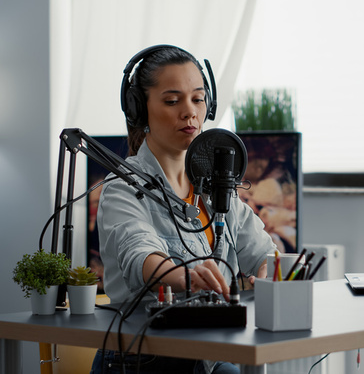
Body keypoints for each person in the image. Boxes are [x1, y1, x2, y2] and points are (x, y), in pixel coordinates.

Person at [90, 45, 277, 374]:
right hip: (141, 360)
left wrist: (269, 271)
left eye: (198, 98)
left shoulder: (216, 187)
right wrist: (184, 277)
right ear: (139, 109)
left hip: (209, 354)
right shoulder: (122, 188)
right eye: (172, 101)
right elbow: (140, 254)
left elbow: (264, 253)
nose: (190, 112)